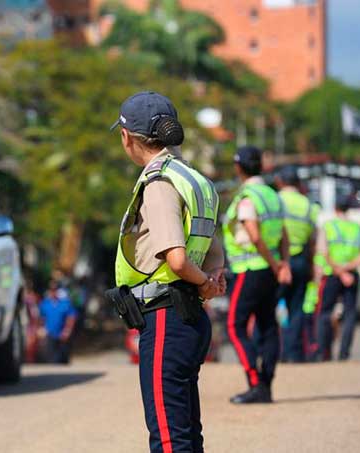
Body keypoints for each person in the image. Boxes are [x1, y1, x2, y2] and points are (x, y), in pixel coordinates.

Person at [108, 91, 225, 453]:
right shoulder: (194, 179)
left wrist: (203, 282)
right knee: (186, 433)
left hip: (165, 320)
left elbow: (175, 259)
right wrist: (209, 282)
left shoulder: (159, 183)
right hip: (189, 316)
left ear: (127, 138)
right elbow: (214, 249)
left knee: (169, 438)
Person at [222, 145, 291, 404]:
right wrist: (282, 263)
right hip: (270, 271)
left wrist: (275, 264)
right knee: (269, 326)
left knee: (234, 325)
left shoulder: (247, 197)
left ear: (239, 167)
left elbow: (254, 235)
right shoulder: (273, 195)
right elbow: (283, 234)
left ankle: (255, 382)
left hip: (249, 269)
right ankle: (267, 384)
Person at [315, 196, 360, 361]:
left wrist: (340, 271)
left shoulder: (329, 227)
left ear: (335, 209)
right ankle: (344, 353)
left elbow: (323, 252)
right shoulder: (359, 229)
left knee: (324, 313)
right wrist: (347, 270)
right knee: (350, 314)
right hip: (351, 275)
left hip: (332, 274)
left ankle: (324, 353)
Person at [275, 166, 319, 362]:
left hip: (277, 260)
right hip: (300, 259)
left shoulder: (275, 200)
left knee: (268, 307)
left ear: (281, 181)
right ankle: (292, 354)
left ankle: (269, 351)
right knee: (296, 308)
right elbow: (313, 240)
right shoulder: (309, 205)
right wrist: (311, 266)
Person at [39, 280, 77, 364]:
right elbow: (42, 318)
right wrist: (42, 329)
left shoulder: (65, 303)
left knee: (63, 359)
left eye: (55, 289)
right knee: (52, 360)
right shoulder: (45, 303)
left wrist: (67, 331)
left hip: (62, 336)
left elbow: (71, 317)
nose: (53, 292)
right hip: (50, 335)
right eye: (51, 289)